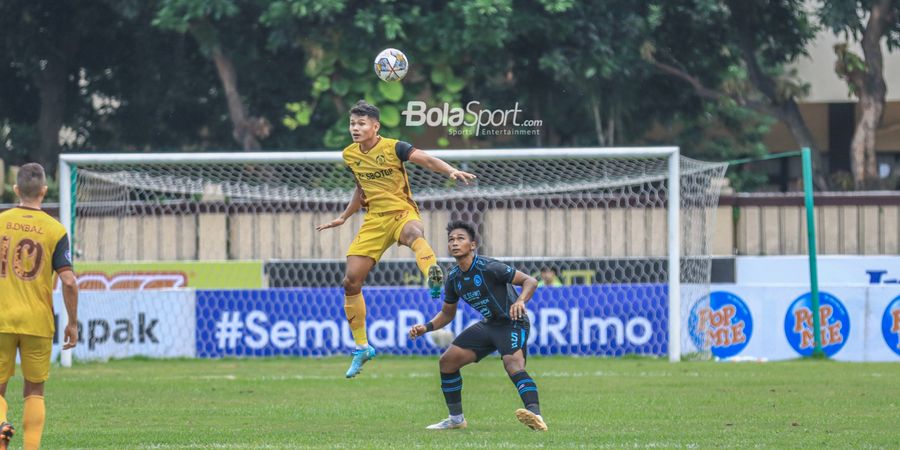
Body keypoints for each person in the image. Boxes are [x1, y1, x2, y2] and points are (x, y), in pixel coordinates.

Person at [317, 100, 477, 378]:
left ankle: (434, 275)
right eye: (352, 124)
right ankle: (362, 347)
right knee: (350, 281)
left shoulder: (394, 147)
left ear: (375, 126)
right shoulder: (350, 155)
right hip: (374, 221)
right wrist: (344, 216)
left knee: (415, 233)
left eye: (361, 123)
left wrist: (449, 170)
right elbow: (361, 189)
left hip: (402, 212)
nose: (355, 128)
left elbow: (426, 159)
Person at [409, 221, 547, 431]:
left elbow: (530, 281)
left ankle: (536, 416)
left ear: (472, 245)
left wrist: (520, 301)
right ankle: (456, 420)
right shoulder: (454, 278)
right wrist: (426, 327)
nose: (455, 243)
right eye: (451, 240)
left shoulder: (489, 267)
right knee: (447, 362)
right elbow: (447, 314)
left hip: (512, 323)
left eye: (460, 239)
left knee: (513, 364)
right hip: (489, 325)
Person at [0, 163, 79, 450]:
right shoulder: (55, 229)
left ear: (16, 189)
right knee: (34, 389)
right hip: (37, 321)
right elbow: (69, 281)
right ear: (44, 191)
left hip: (1, 319)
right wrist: (72, 322)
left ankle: (0, 428)